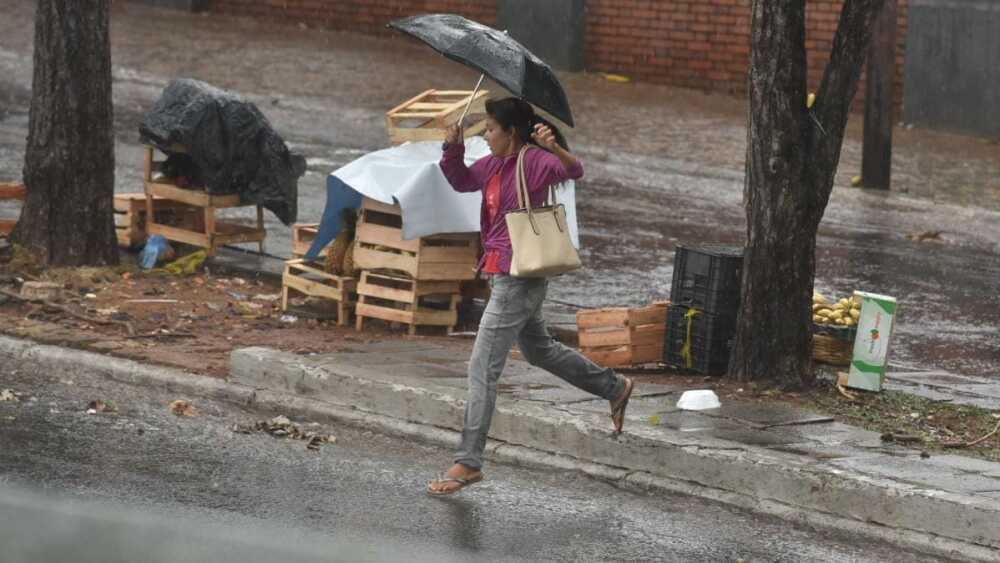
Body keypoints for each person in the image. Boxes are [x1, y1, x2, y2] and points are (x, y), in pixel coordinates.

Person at [427, 97, 634, 496]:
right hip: (503, 274)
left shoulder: (534, 161)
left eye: (490, 129)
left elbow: (574, 170)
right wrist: (452, 146)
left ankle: (468, 463)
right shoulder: (491, 164)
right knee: (539, 350)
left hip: (520, 276)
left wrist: (553, 145)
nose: (485, 136)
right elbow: (461, 180)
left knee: (481, 368)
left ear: (512, 132)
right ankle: (613, 387)